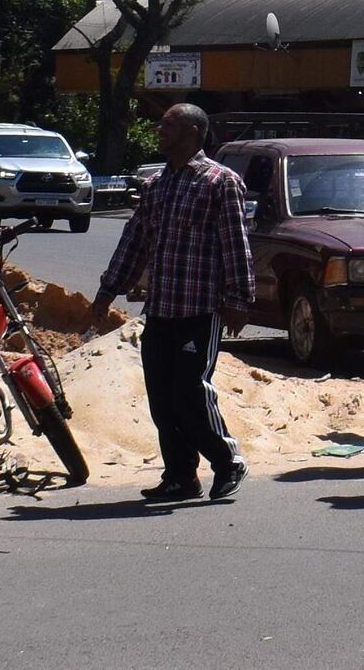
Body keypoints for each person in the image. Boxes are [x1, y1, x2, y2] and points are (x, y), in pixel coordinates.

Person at [91, 104, 255, 501]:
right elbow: (134, 242)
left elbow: (236, 244)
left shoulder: (221, 182)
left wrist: (239, 299)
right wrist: (107, 290)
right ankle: (181, 476)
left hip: (201, 310)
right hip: (162, 309)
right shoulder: (155, 186)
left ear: (195, 132)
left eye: (170, 125)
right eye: (161, 124)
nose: (160, 130)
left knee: (190, 391)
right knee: (162, 399)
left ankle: (227, 460)